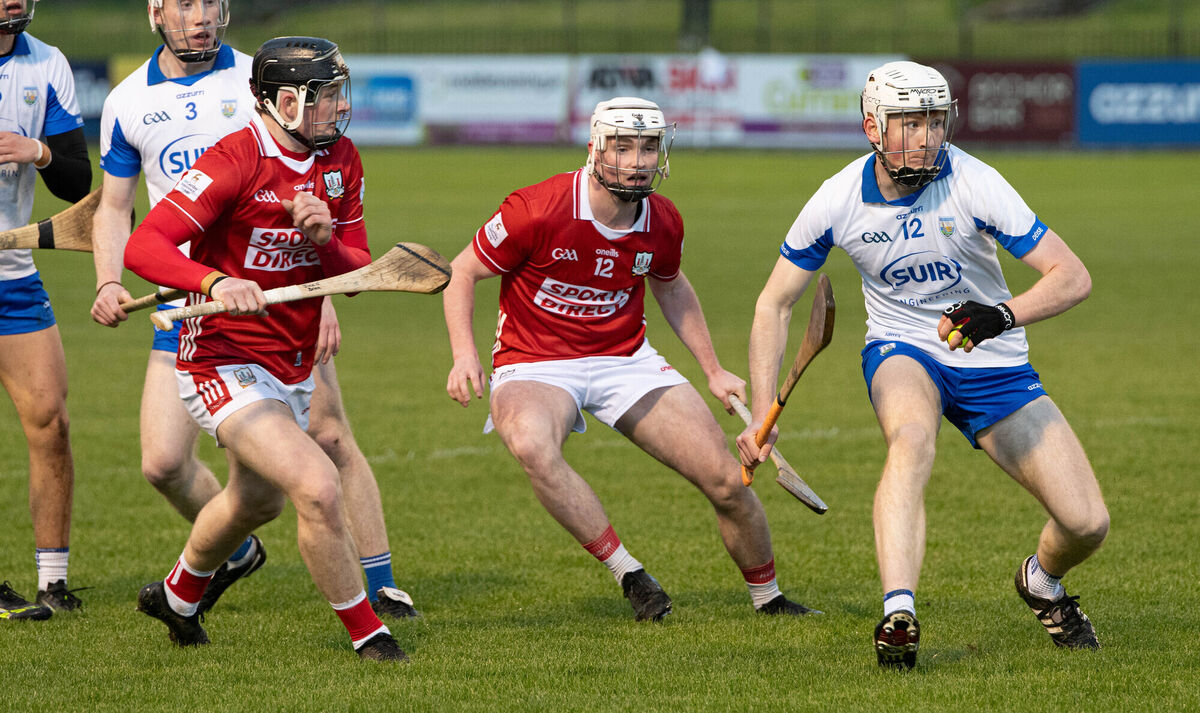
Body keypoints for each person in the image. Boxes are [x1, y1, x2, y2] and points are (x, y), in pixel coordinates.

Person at [736, 61, 1109, 669]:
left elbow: (1073, 276)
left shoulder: (974, 181)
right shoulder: (837, 198)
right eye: (910, 124)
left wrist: (1002, 315)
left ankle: (1041, 582)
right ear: (872, 128)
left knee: (1087, 523)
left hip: (995, 362)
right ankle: (898, 613)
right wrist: (760, 413)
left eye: (935, 122)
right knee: (911, 440)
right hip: (901, 349)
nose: (927, 137)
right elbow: (774, 304)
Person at [89, 1, 416, 619]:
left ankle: (380, 590)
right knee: (164, 464)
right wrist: (113, 280)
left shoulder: (259, 78)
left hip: (286, 305)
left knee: (329, 438)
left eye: (211, 1)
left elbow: (348, 258)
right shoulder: (128, 100)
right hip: (196, 296)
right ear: (156, 11)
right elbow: (117, 211)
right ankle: (209, 569)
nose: (202, 14)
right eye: (186, 2)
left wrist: (322, 283)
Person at [443, 96, 816, 621]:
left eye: (648, 147)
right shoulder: (536, 208)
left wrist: (712, 369)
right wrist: (464, 355)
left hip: (625, 358)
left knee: (729, 482)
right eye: (623, 147)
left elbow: (670, 285)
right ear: (595, 147)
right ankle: (630, 574)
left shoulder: (662, 220)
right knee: (531, 444)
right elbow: (461, 273)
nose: (638, 160)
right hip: (535, 361)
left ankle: (769, 600)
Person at [0, 0, 91, 620]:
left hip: (12, 273)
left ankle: (52, 584)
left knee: (50, 423)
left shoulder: (48, 65)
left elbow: (76, 182)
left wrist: (36, 152)